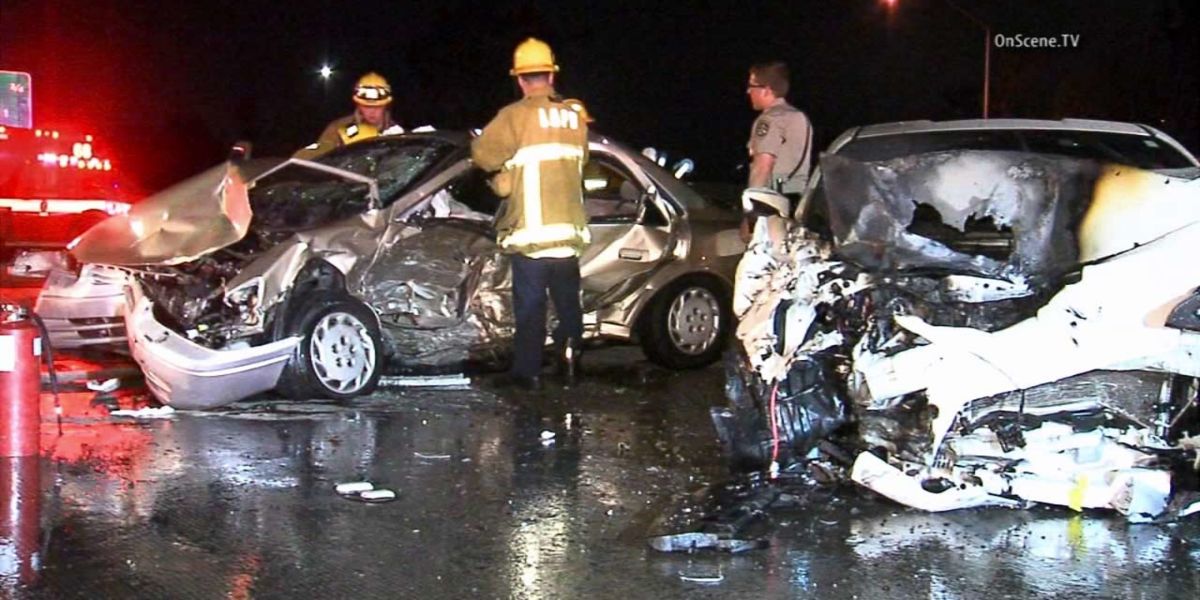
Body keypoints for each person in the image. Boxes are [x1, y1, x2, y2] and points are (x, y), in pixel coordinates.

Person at [472, 38, 590, 391]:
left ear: (521, 80)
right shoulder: (573, 117)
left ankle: (528, 372)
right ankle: (571, 356)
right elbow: (579, 162)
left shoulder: (514, 116)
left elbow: (482, 156)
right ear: (551, 76)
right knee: (569, 304)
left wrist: (504, 173)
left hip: (533, 236)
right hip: (568, 234)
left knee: (531, 308)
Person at [741, 61, 813, 241]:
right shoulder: (797, 116)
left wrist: (751, 216)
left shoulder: (771, 119)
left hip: (773, 207)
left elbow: (763, 166)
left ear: (766, 90)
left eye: (751, 86)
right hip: (798, 204)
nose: (748, 91)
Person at [296, 72, 403, 158]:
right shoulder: (338, 128)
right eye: (366, 106)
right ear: (358, 105)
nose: (372, 112)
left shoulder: (397, 133)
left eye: (377, 107)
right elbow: (306, 156)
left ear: (386, 106)